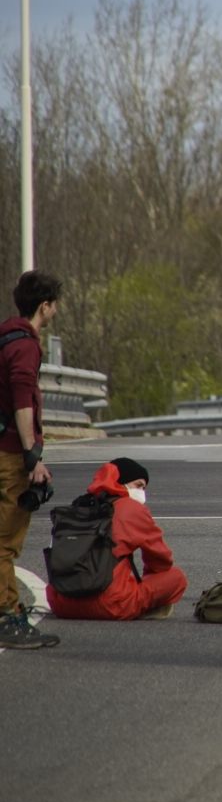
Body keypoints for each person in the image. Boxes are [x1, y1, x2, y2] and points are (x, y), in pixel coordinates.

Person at [0, 270, 62, 650]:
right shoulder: (25, 346)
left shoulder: (4, 336)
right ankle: (7, 616)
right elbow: (23, 399)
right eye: (54, 304)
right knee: (6, 540)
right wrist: (32, 456)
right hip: (10, 452)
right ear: (45, 306)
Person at [47, 459, 187, 621]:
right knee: (176, 577)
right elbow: (161, 560)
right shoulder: (131, 508)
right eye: (139, 485)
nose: (142, 492)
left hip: (61, 604)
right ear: (121, 482)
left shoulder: (77, 507)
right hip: (111, 605)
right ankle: (140, 607)